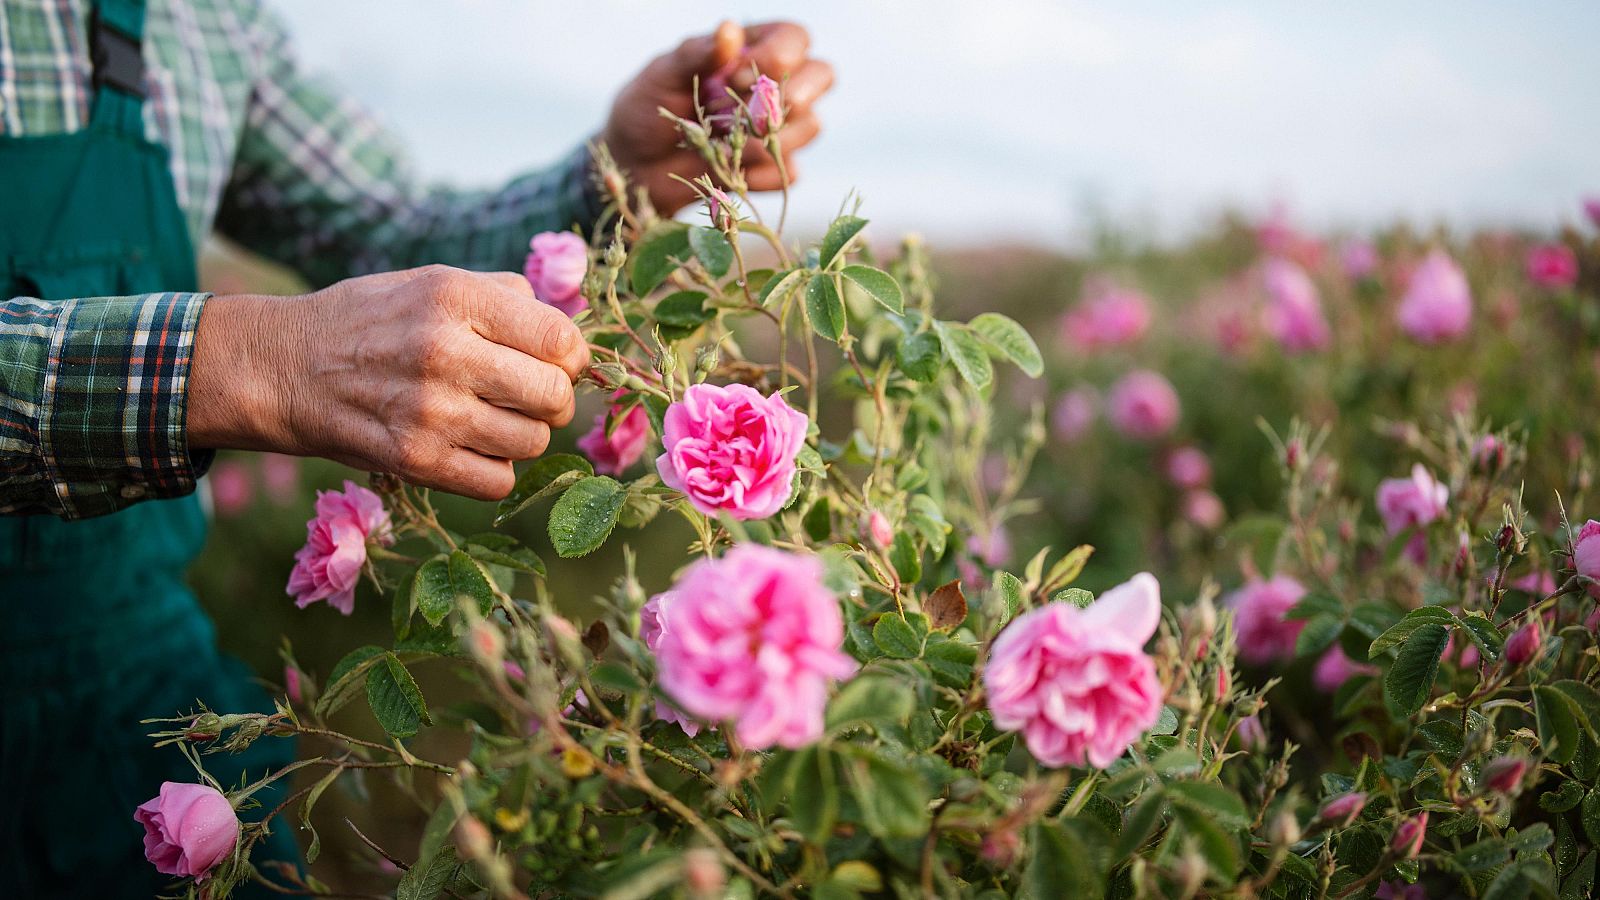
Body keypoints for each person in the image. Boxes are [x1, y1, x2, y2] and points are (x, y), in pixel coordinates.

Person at [0, 1, 832, 895]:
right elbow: (275, 345)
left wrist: (616, 174)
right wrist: (236, 362)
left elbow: (394, 232)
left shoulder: (200, 20)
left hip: (127, 658)